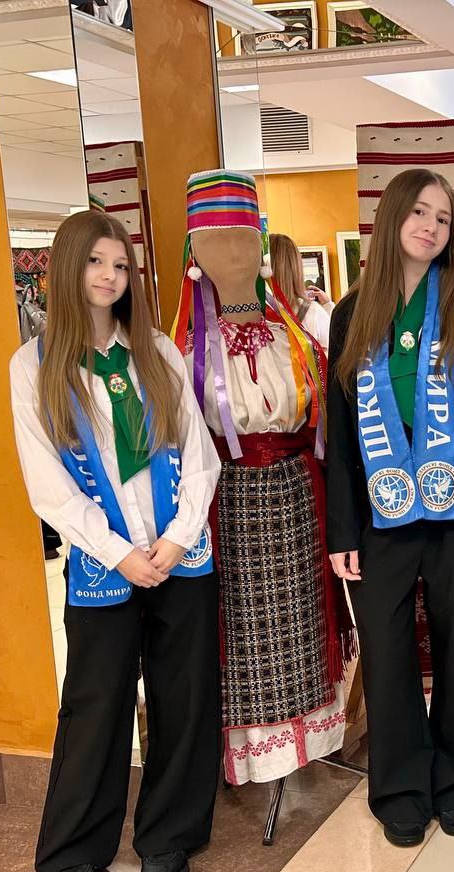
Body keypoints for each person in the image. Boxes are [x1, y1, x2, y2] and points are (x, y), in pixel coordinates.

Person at [9, 210, 221, 872]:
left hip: (179, 555)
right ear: (65, 269)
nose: (108, 276)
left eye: (120, 265)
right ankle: (74, 847)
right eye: (95, 262)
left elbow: (199, 455)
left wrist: (178, 538)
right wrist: (120, 552)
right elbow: (48, 485)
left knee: (182, 696)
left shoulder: (155, 351)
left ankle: (169, 834)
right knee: (95, 701)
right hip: (105, 565)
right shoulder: (33, 366)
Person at [327, 168, 454, 847]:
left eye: (443, 217)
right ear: (392, 218)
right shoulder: (351, 314)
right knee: (388, 653)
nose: (432, 227)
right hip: (378, 516)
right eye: (420, 213)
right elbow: (339, 433)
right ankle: (401, 787)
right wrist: (341, 530)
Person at [170, 169, 347, 788]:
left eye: (244, 238)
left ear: (262, 246)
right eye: (215, 240)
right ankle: (255, 754)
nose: (233, 251)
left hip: (299, 493)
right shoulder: (183, 351)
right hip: (230, 502)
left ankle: (309, 740)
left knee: (302, 617)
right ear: (194, 253)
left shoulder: (293, 339)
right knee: (244, 624)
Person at [269, 233, 336, 353]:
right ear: (296, 267)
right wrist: (328, 306)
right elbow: (332, 354)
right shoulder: (313, 312)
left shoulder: (252, 315)